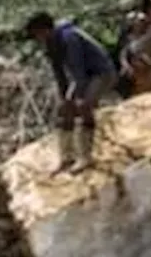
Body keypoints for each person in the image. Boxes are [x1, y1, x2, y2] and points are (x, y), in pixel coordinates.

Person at [23, 12, 117, 173]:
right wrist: (64, 99)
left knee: (84, 106)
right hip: (85, 75)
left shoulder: (69, 38)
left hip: (101, 73)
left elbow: (78, 73)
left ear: (45, 30)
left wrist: (75, 96)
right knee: (64, 110)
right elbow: (59, 75)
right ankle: (66, 157)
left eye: (38, 34)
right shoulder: (50, 44)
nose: (38, 39)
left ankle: (85, 157)